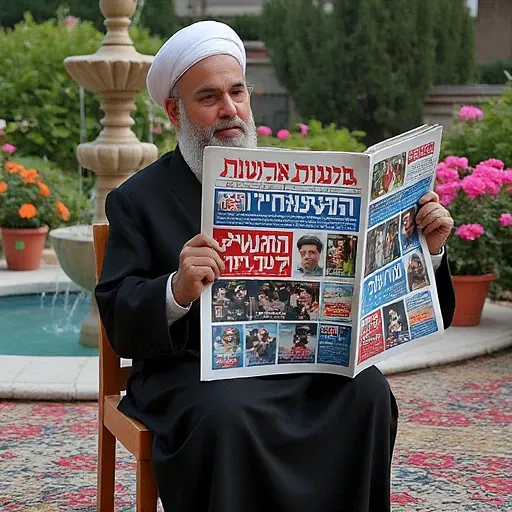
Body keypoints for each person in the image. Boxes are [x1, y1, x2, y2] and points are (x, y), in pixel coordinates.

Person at [95, 20, 456, 512]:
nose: (229, 110)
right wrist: (176, 289)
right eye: (209, 97)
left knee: (367, 392)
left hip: (300, 363)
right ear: (174, 110)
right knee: (229, 416)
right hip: (192, 374)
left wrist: (427, 250)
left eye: (237, 92)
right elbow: (118, 313)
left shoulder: (303, 182)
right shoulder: (137, 200)